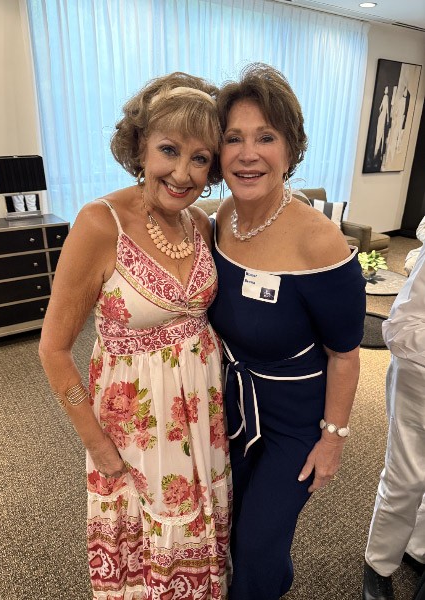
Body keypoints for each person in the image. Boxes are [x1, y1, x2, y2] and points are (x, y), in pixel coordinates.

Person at [39, 72, 232, 599]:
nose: (183, 173)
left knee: (202, 533)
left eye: (200, 158)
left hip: (203, 414)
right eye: (169, 149)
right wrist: (96, 444)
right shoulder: (100, 223)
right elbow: (53, 350)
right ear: (140, 146)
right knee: (148, 546)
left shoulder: (200, 223)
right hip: (136, 427)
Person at [207, 63, 366, 599]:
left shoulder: (319, 242)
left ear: (291, 149)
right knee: (232, 528)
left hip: (295, 424)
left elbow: (345, 354)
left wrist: (333, 440)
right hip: (232, 406)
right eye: (234, 138)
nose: (247, 154)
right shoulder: (222, 219)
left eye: (266, 137)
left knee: (256, 543)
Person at [363, 243, 425, 600]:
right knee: (406, 478)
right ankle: (379, 564)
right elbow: (399, 329)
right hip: (419, 382)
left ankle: (417, 547)